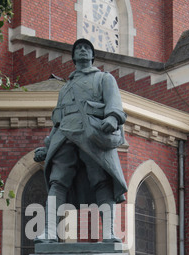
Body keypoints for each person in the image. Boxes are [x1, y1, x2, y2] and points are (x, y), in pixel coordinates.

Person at [34, 38, 128, 243]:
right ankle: (49, 232)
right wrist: (48, 145)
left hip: (91, 134)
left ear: (92, 55)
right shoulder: (65, 88)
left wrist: (112, 118)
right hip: (65, 135)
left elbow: (115, 103)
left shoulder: (104, 78)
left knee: (101, 181)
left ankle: (109, 233)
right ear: (74, 56)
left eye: (87, 48)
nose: (83, 50)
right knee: (57, 181)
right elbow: (58, 119)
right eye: (79, 48)